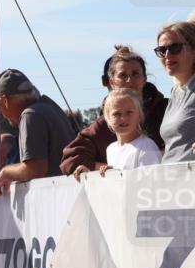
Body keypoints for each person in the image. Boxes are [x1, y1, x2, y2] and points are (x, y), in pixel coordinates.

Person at [61, 45, 168, 176]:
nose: (130, 81)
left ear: (144, 78)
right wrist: (113, 171)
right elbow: (70, 160)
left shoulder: (167, 109)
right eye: (123, 75)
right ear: (112, 82)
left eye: (135, 74)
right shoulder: (105, 123)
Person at [0, 69, 76, 197]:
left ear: (5, 101)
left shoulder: (30, 115)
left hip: (56, 202)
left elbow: (35, 169)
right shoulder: (50, 108)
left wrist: (5, 173)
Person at [79, 88, 161, 178]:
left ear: (139, 116)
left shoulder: (147, 146)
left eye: (129, 112)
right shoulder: (111, 149)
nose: (123, 118)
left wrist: (116, 176)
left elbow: (151, 183)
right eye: (116, 114)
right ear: (107, 119)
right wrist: (90, 175)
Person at [155, 19, 195, 164]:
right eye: (161, 50)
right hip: (173, 182)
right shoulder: (175, 92)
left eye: (175, 48)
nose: (167, 55)